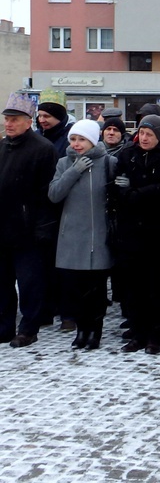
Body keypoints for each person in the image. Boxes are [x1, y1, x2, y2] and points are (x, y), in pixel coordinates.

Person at [114, 114, 160, 354]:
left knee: (155, 285)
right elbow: (118, 185)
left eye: (150, 134)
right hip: (131, 228)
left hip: (158, 228)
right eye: (142, 133)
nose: (144, 138)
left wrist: (142, 193)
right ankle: (137, 333)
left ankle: (155, 336)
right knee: (134, 287)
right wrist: (128, 195)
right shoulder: (127, 154)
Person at [48, 119, 116, 350]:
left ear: (93, 140)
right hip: (72, 238)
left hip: (99, 236)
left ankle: (94, 332)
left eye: (82, 140)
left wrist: (123, 186)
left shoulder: (109, 162)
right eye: (74, 139)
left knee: (96, 291)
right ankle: (81, 331)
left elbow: (117, 194)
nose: (77, 144)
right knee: (74, 290)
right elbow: (54, 194)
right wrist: (73, 171)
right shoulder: (63, 163)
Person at [0, 92, 59, 347]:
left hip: (29, 230)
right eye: (6, 119)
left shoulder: (42, 149)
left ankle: (28, 328)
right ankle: (4, 328)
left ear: (28, 121)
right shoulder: (2, 146)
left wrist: (43, 227)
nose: (8, 124)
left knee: (29, 284)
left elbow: (48, 194)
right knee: (2, 285)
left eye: (14, 119)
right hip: (2, 228)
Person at [37, 88, 72, 159]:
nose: (41, 120)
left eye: (46, 116)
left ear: (59, 117)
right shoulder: (35, 136)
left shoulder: (72, 137)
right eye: (40, 116)